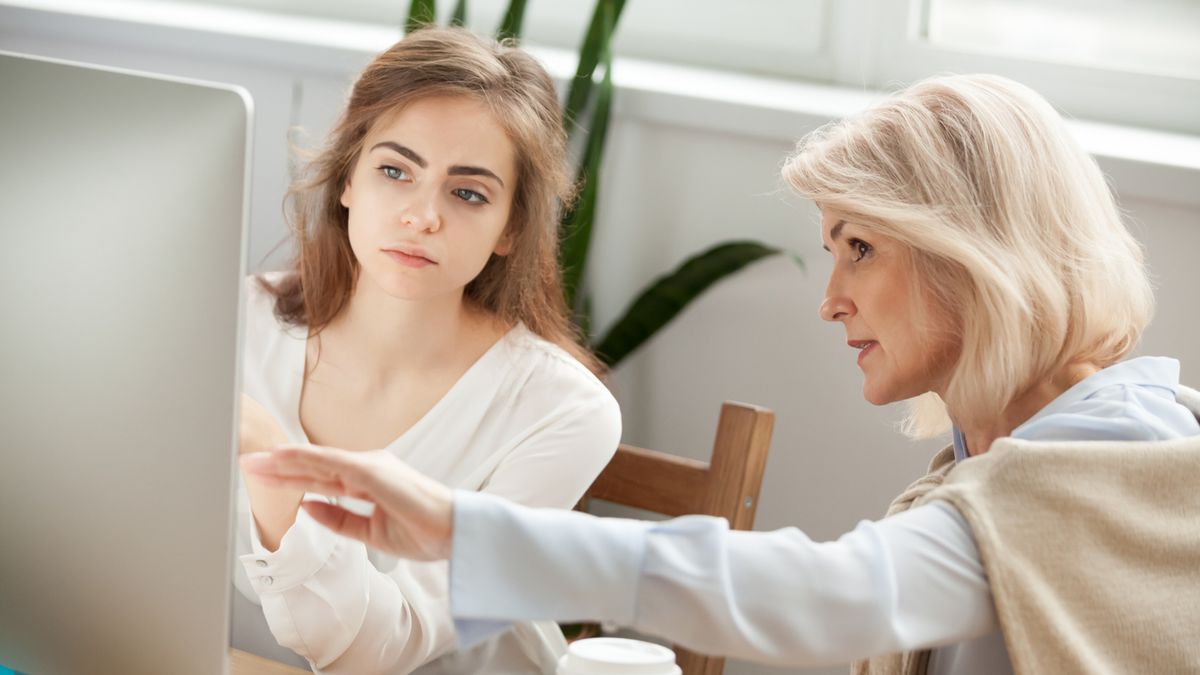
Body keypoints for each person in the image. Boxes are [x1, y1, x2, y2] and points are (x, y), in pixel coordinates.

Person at [241, 74, 1200, 674]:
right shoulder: (1004, 461)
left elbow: (832, 595)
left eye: (859, 247)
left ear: (971, 254)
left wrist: (461, 529)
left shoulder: (1111, 458)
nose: (829, 298)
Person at [231, 26, 622, 675]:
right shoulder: (238, 320)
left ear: (512, 228)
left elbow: (382, 651)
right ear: (347, 179)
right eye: (394, 170)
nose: (422, 215)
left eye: (467, 192)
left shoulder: (564, 412)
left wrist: (271, 461)